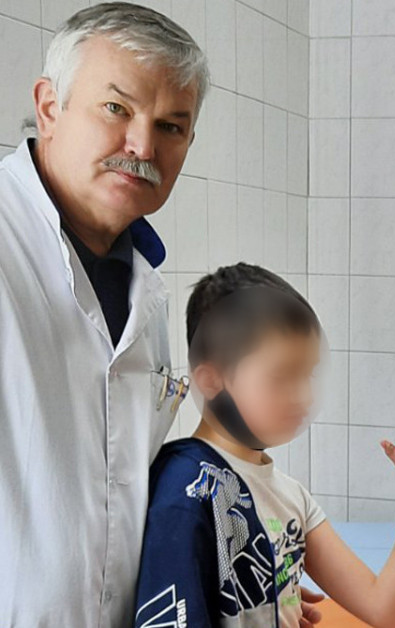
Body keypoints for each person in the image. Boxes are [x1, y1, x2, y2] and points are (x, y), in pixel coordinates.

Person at [0, 3, 210, 626]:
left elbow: (121, 493)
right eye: (117, 108)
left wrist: (226, 577)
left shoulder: (143, 282)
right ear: (50, 107)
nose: (143, 146)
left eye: (171, 126)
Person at [135, 263, 395, 628]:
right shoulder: (187, 489)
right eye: (282, 376)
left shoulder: (290, 496)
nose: (303, 395)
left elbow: (384, 609)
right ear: (212, 380)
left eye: (307, 374)